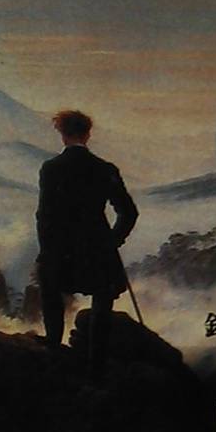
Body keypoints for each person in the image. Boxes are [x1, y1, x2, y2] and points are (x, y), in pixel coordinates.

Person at [36, 109, 138, 377]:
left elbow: (44, 216)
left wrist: (47, 252)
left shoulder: (51, 169)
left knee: (51, 292)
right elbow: (129, 212)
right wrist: (113, 241)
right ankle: (97, 369)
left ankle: (53, 348)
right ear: (88, 134)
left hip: (62, 251)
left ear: (62, 134)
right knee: (102, 303)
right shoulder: (105, 169)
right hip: (97, 250)